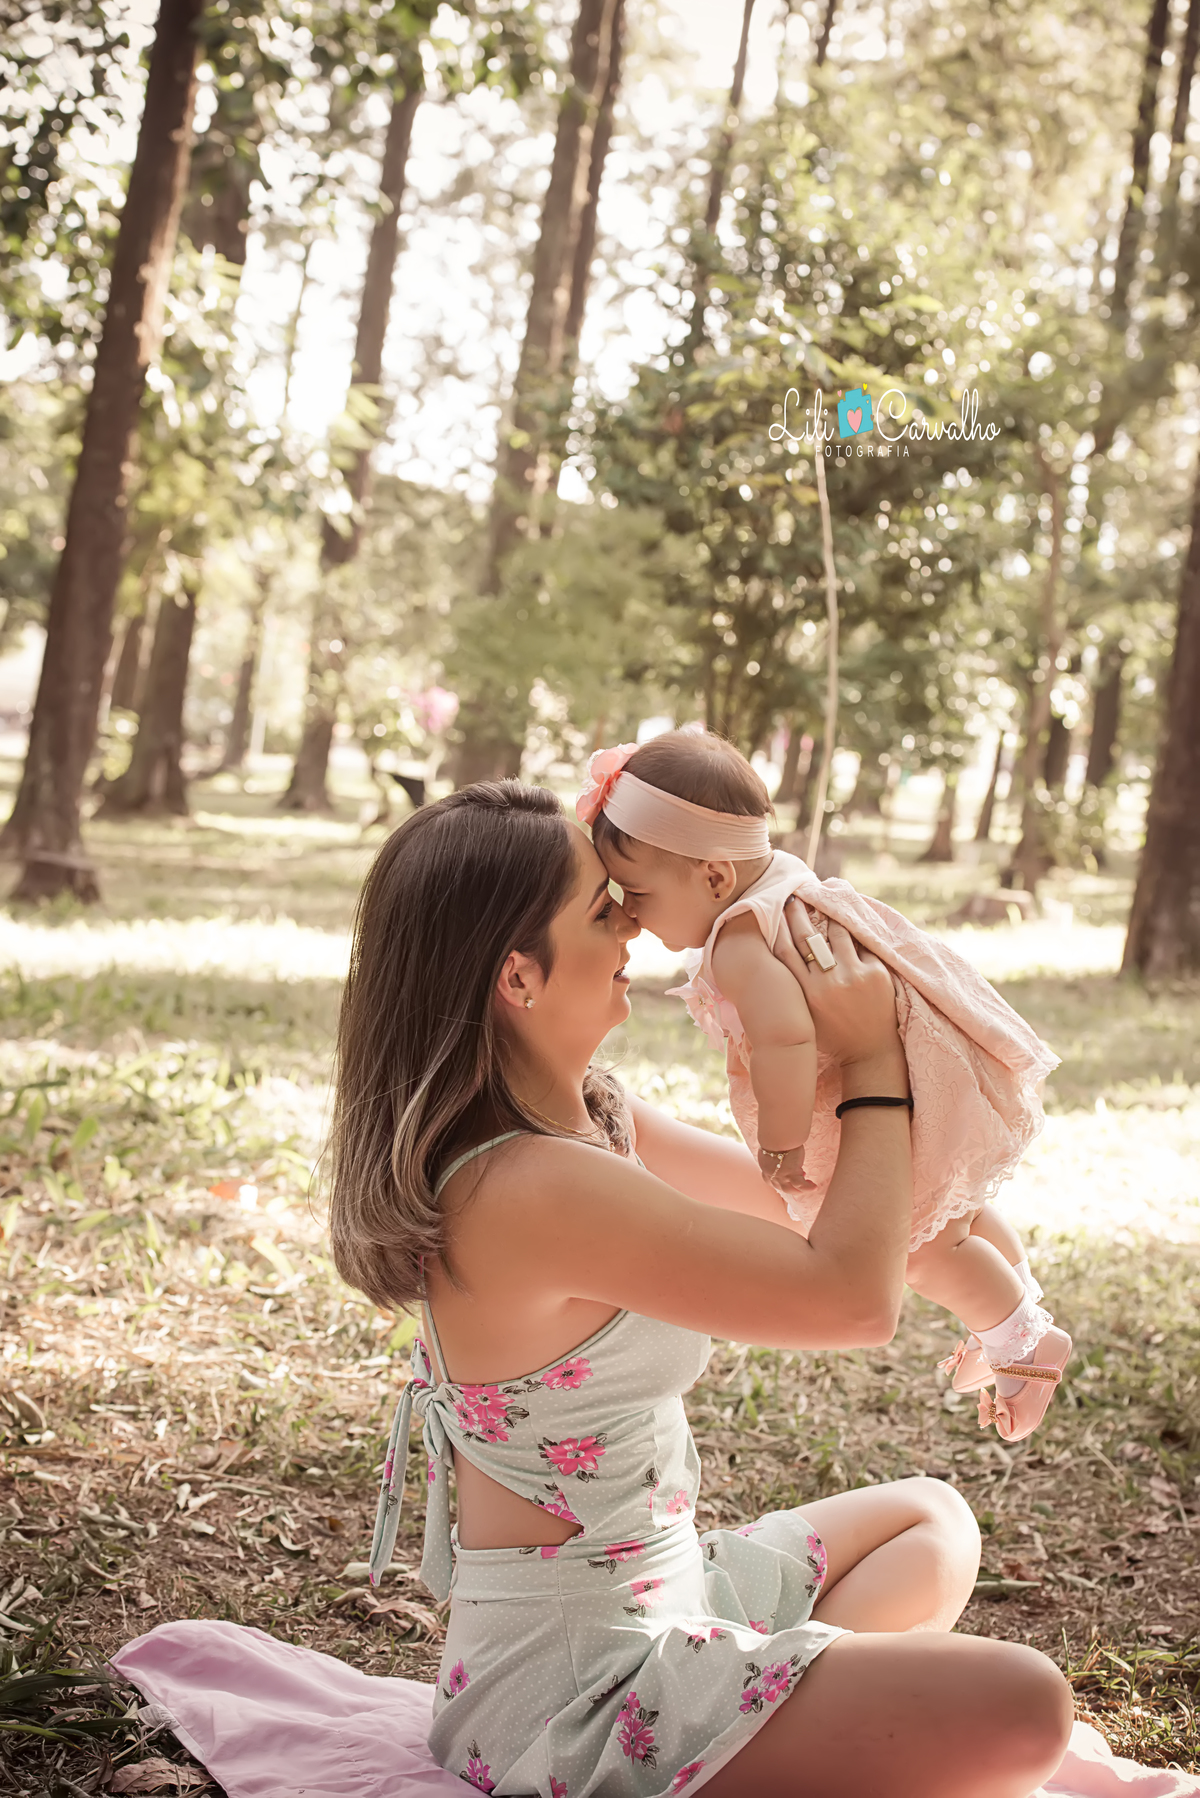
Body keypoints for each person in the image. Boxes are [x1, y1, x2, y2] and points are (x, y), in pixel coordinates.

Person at [328, 778, 1073, 1798]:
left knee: (932, 1523)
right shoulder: (526, 1187)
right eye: (603, 910)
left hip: (675, 1591)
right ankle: (775, 1731)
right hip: (574, 1690)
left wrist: (1012, 1314)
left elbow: (819, 1212)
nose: (635, 925)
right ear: (517, 977)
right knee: (1025, 1705)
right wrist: (867, 1063)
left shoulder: (596, 1119)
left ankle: (779, 1727)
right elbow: (851, 1299)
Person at [580, 731, 1072, 1446]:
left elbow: (785, 1038)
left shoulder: (740, 942)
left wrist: (781, 1144)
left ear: (714, 877)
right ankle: (1013, 1300)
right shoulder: (782, 879)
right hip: (921, 1068)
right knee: (948, 1211)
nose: (631, 915)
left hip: (867, 1085)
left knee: (916, 1248)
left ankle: (1020, 1339)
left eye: (641, 894)